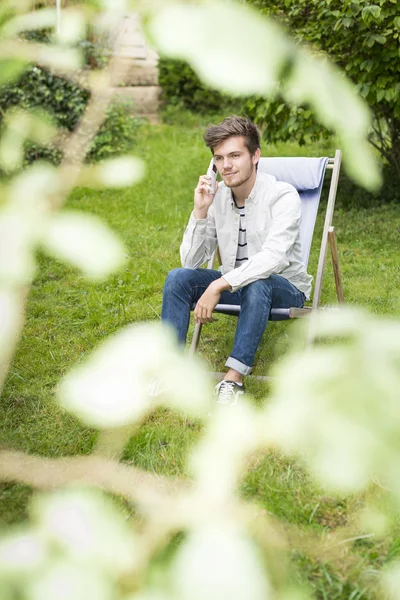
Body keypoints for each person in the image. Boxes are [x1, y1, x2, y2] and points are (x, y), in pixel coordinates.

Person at [161, 116, 312, 404]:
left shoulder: (283, 196)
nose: (226, 165)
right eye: (219, 158)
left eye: (234, 155)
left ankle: (233, 379)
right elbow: (190, 263)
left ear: (255, 156)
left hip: (284, 287)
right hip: (234, 282)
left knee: (258, 281)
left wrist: (218, 285)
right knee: (177, 278)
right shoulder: (217, 198)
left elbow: (273, 259)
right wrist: (200, 212)